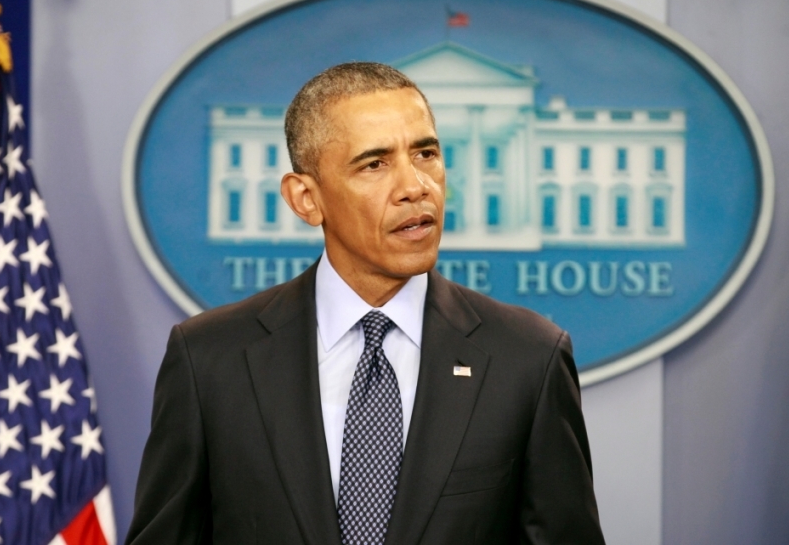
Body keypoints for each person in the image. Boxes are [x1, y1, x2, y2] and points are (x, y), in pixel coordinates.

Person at [126, 63, 605, 544]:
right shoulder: (209, 358)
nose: (416, 186)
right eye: (375, 164)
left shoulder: (528, 358)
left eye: (426, 154)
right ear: (306, 199)